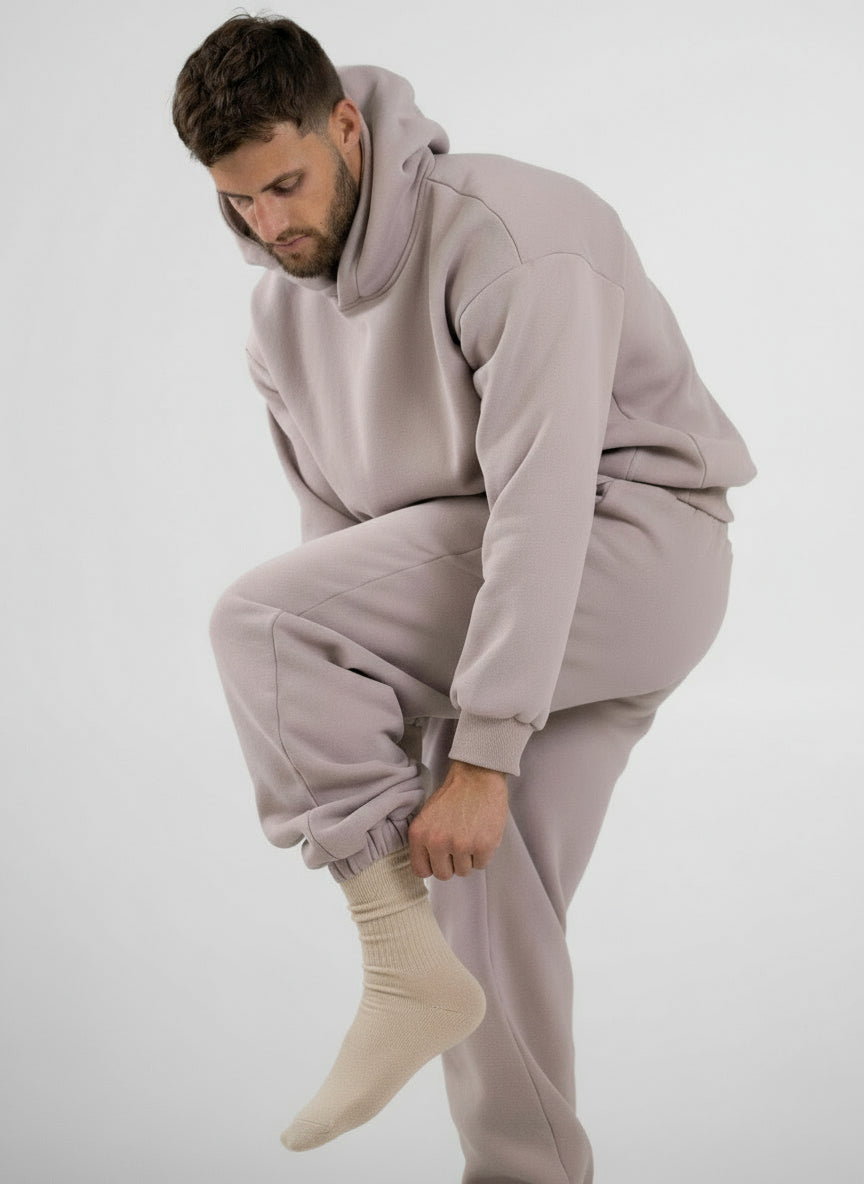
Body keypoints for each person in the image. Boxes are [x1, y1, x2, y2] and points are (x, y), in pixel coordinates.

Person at [172, 13, 757, 1182]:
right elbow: (345, 547)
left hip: (629, 546)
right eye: (238, 202)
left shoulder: (512, 232)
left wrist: (483, 754)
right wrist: (409, 753)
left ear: (347, 127)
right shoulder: (279, 318)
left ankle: (392, 956)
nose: (269, 226)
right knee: (477, 893)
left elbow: (542, 500)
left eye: (285, 185)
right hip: (487, 591)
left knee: (260, 622)